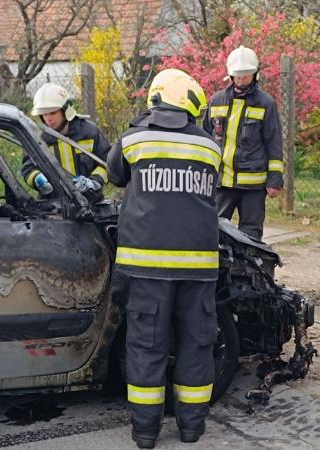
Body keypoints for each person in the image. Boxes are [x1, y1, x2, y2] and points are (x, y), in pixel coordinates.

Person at [107, 68, 221, 448]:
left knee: (146, 346)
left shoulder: (134, 139)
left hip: (147, 269)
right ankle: (191, 429)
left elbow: (115, 175)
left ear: (154, 100)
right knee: (196, 343)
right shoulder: (210, 146)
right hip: (199, 269)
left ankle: (145, 433)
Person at [202, 45, 283, 240]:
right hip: (222, 182)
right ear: (230, 76)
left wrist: (274, 181)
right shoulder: (216, 101)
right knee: (216, 230)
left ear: (255, 75)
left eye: (246, 76)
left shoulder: (266, 104)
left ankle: (249, 270)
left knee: (251, 234)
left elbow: (274, 143)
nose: (241, 80)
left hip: (253, 185)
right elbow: (205, 138)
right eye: (238, 76)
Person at [21, 83, 110, 201]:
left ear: (66, 110)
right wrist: (38, 180)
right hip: (54, 206)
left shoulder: (90, 132)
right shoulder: (39, 139)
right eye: (44, 114)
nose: (48, 118)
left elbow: (108, 163)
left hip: (90, 203)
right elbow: (28, 169)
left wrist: (93, 182)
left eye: (52, 113)